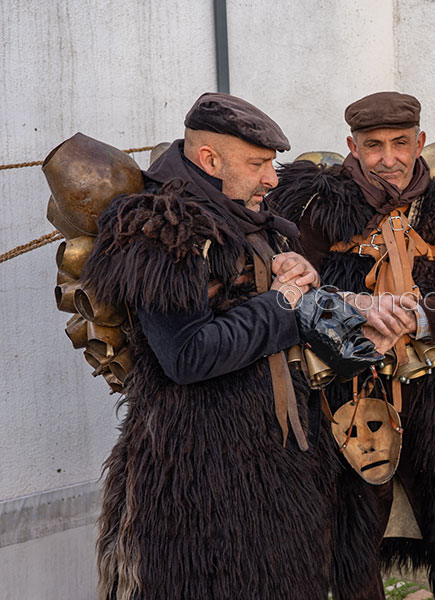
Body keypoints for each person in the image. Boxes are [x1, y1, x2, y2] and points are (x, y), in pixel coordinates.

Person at [80, 92, 377, 600]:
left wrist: (303, 276)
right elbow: (187, 355)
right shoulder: (162, 230)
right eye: (258, 164)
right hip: (201, 482)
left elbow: (274, 313)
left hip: (281, 468)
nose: (272, 179)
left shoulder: (248, 218)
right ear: (209, 160)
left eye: (271, 164)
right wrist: (282, 302)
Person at [268, 91, 435, 600]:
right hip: (349, 396)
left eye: (400, 143)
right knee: (352, 537)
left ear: (420, 142)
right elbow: (298, 291)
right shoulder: (318, 208)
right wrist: (356, 311)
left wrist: (413, 318)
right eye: (374, 145)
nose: (389, 158)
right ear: (353, 147)